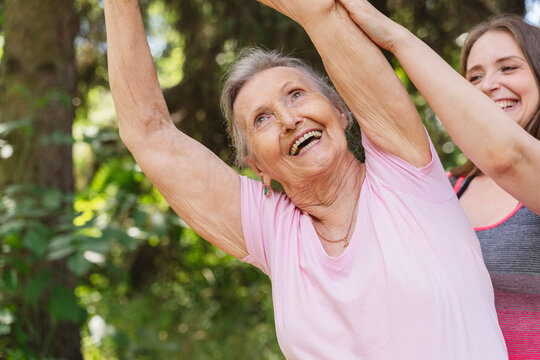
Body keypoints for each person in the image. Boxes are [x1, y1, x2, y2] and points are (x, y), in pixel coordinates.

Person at [104, 0, 507, 358]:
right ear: (257, 166)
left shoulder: (404, 172)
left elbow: (321, 11)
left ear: (341, 111)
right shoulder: (274, 233)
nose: (288, 119)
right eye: (261, 119)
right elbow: (149, 133)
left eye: (296, 94)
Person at [335, 1, 540, 357]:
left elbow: (508, 158)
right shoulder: (446, 188)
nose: (489, 85)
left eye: (508, 68)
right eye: (473, 77)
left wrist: (397, 39)